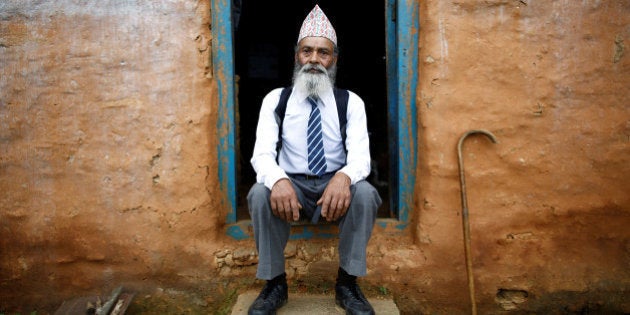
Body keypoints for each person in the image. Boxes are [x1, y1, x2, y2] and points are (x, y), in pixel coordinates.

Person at [247, 5, 382, 315]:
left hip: (332, 191)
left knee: (365, 194)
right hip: (291, 186)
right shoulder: (276, 99)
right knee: (259, 192)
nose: (314, 59)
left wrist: (343, 177)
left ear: (332, 60)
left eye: (323, 53)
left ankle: (347, 284)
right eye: (307, 51)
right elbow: (262, 154)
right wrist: (279, 180)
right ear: (297, 55)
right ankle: (274, 284)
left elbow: (361, 156)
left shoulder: (350, 102)